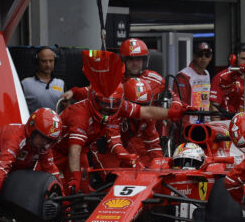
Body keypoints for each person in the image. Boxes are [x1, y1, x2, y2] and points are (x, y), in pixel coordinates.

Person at [55, 50, 190, 194]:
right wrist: (74, 92)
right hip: (84, 148)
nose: (109, 108)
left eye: (114, 104)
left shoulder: (126, 106)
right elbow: (112, 144)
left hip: (97, 147)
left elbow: (149, 116)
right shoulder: (97, 112)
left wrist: (174, 113)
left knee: (140, 175)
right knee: (108, 181)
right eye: (105, 104)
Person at [210, 42, 245, 114]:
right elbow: (214, 107)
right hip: (226, 121)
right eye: (243, 59)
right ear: (234, 59)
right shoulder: (221, 77)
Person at [173, 42, 213, 123]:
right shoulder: (183, 75)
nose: (203, 58)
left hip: (205, 121)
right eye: (200, 54)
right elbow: (179, 104)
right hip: (189, 124)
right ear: (194, 56)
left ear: (211, 57)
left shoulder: (207, 74)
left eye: (207, 55)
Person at [21, 46, 65, 113]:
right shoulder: (25, 84)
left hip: (56, 123)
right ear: (36, 62)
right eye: (44, 61)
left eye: (51, 61)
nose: (48, 65)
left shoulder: (61, 83)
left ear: (55, 61)